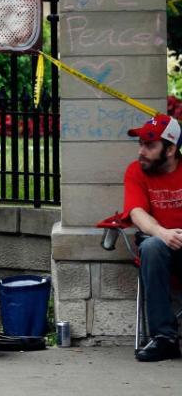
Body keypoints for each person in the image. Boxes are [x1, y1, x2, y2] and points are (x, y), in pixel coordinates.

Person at [123, 113, 182, 362]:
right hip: (161, 253)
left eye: (150, 145)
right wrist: (163, 233)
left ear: (170, 150)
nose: (142, 151)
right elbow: (136, 212)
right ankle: (164, 338)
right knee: (152, 246)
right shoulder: (136, 171)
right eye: (141, 144)